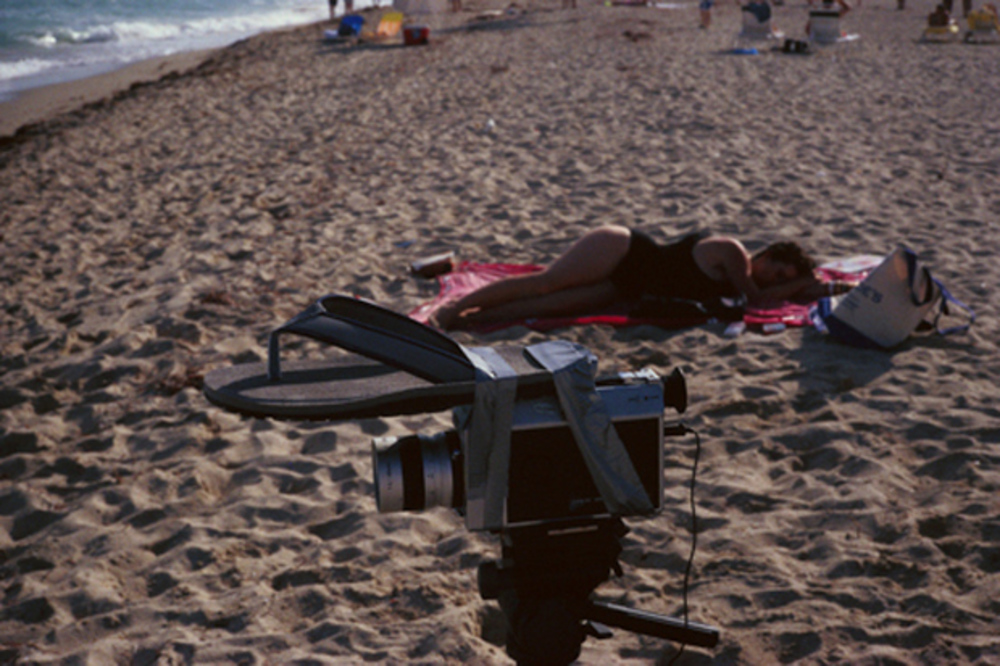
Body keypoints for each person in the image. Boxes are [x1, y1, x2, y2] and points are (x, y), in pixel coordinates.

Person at [433, 226, 842, 330]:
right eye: (776, 270)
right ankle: (454, 308)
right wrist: (799, 285)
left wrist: (823, 288)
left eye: (780, 278)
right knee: (546, 282)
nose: (772, 279)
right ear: (767, 254)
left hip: (627, 285)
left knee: (547, 308)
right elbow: (756, 300)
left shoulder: (744, 278)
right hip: (624, 248)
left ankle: (468, 321)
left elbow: (768, 297)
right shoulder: (735, 253)